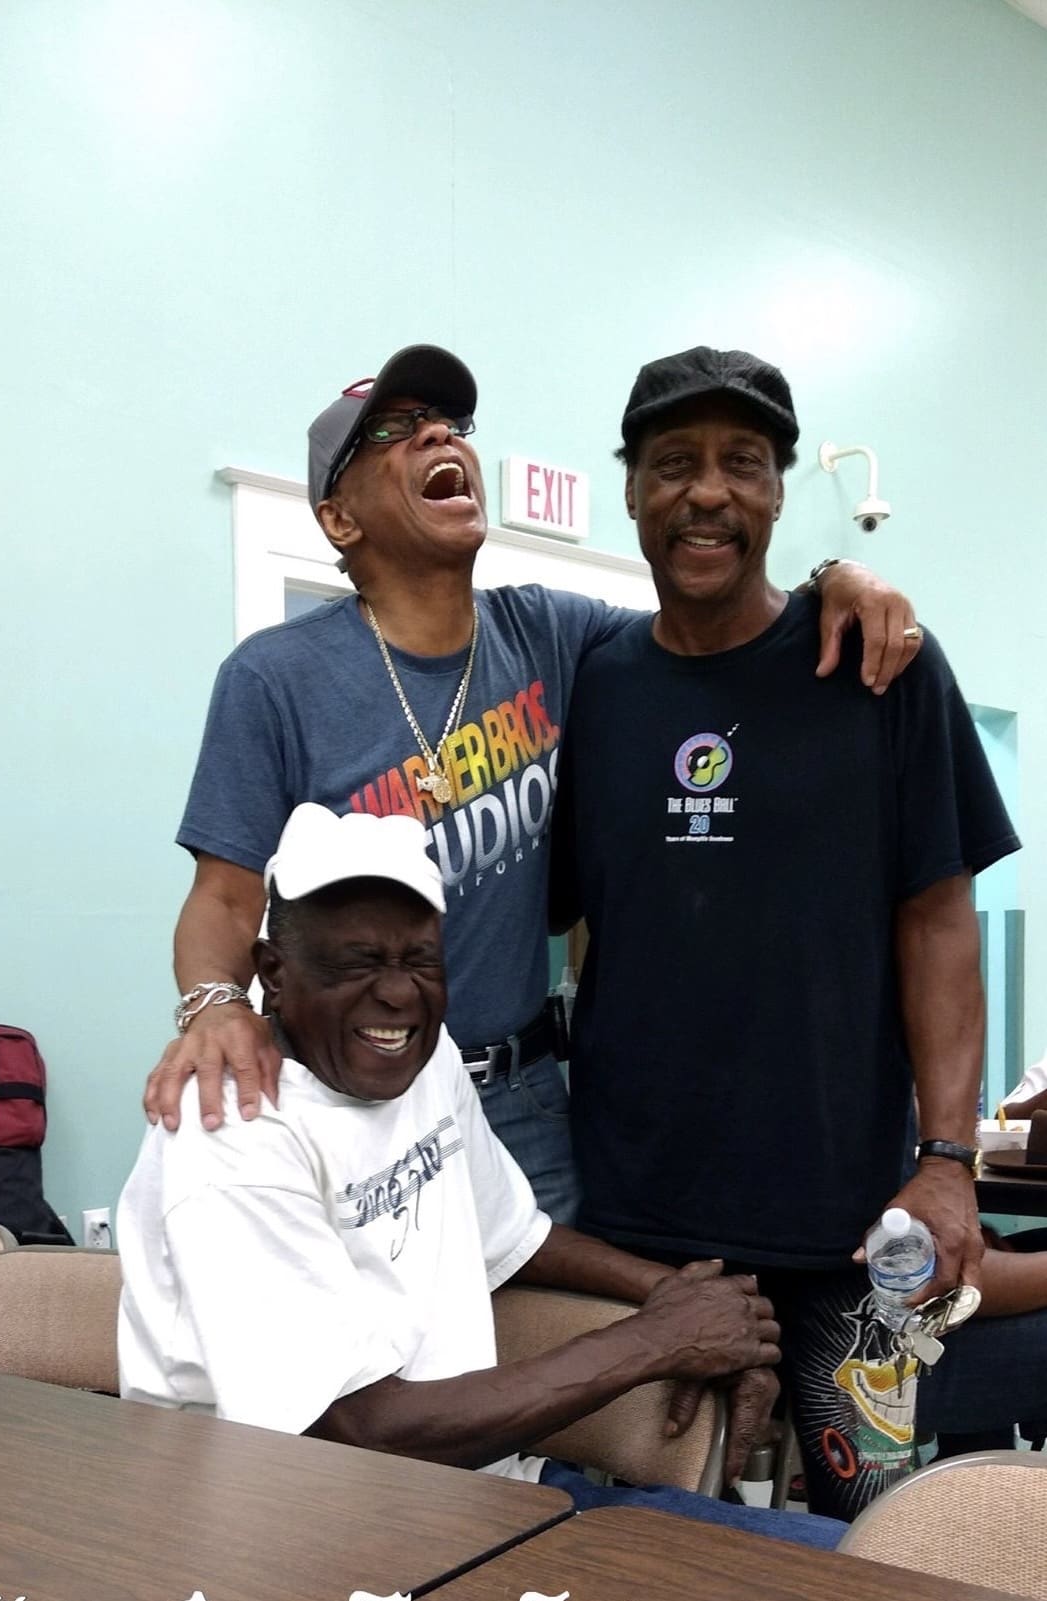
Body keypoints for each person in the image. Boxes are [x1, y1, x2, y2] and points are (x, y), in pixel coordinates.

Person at [146, 344, 921, 1223]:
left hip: (524, 1102)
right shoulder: (275, 677)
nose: (437, 433)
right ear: (337, 518)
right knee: (378, 1356)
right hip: (355, 1096)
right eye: (392, 433)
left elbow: (721, 621)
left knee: (562, 1348)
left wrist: (833, 577)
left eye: (448, 423)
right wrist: (211, 1005)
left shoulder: (551, 633)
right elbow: (220, 897)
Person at [549, 344, 1030, 1519]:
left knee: (874, 1525)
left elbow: (937, 927)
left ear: (775, 491)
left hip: (852, 1235)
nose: (706, 491)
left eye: (741, 463)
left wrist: (946, 1159)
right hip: (632, 1236)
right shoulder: (596, 684)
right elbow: (581, 927)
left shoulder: (877, 670)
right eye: (673, 463)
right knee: (630, 1532)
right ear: (629, 491)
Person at [119, 803, 846, 1550]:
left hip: (476, 1502)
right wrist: (660, 1338)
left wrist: (675, 1294)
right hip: (295, 1543)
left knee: (863, 1567)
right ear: (274, 970)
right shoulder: (233, 1132)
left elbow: (515, 1238)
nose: (398, 995)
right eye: (357, 963)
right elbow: (361, 1432)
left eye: (419, 959)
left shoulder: (423, 1060)